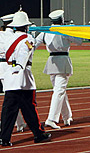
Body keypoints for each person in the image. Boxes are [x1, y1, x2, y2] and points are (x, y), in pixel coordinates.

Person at [0, 11, 51, 146]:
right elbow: (24, 54)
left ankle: (4, 138)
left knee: (8, 111)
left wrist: (14, 68)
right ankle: (38, 134)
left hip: (10, 76)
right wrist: (19, 67)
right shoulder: (28, 38)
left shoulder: (8, 38)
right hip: (23, 78)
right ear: (26, 26)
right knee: (29, 109)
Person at [35, 10, 82, 129]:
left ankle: (67, 117)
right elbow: (79, 41)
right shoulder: (64, 31)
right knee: (59, 91)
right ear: (61, 19)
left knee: (60, 90)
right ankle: (52, 119)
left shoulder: (45, 32)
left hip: (51, 62)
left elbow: (34, 45)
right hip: (63, 62)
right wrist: (74, 30)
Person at [0, 13, 26, 132]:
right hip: (10, 66)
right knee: (12, 97)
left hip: (1, 67)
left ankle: (18, 123)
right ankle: (18, 123)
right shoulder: (15, 37)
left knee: (10, 98)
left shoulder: (1, 34)